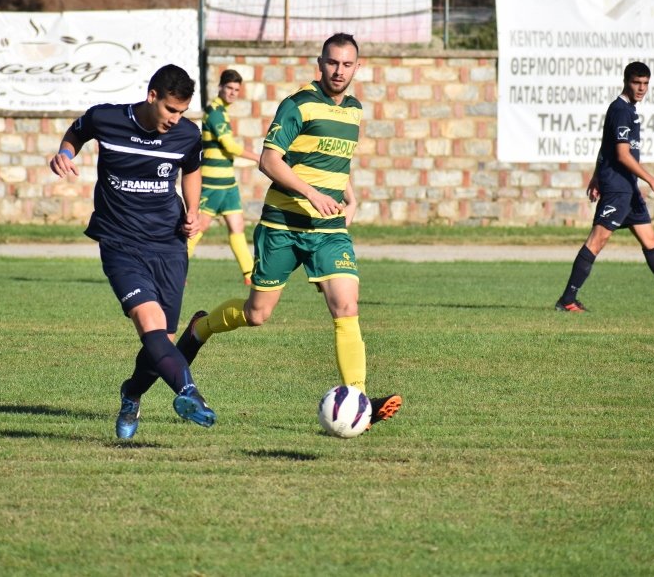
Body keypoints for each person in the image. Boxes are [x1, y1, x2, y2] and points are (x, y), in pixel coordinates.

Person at [175, 33, 402, 430]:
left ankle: (358, 401)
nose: (339, 71)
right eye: (332, 63)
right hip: (282, 225)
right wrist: (312, 193)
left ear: (357, 68)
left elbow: (335, 160)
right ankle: (201, 327)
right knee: (257, 314)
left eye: (347, 65)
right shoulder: (298, 104)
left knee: (346, 308)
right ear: (320, 62)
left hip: (328, 230)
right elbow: (269, 160)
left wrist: (349, 197)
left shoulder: (354, 110)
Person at [48, 64, 216, 440]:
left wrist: (194, 210)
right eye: (171, 110)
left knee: (162, 342)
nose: (176, 119)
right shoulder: (107, 118)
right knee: (149, 325)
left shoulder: (187, 134)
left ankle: (132, 393)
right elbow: (77, 132)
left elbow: (191, 169)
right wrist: (64, 153)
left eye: (182, 112)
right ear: (151, 96)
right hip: (120, 243)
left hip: (170, 244)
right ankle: (189, 393)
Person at [555, 61, 654, 313]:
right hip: (618, 188)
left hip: (628, 188)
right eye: (636, 83)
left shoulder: (628, 110)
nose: (641, 88)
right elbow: (622, 154)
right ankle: (567, 300)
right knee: (597, 241)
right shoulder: (621, 110)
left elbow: (604, 146)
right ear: (626, 81)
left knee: (650, 239)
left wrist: (596, 176)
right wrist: (652, 180)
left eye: (645, 84)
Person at [187, 69, 261, 284]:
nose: (232, 93)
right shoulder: (215, 112)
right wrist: (258, 157)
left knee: (237, 228)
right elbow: (229, 146)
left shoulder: (223, 112)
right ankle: (175, 269)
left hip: (228, 183)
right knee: (198, 228)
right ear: (220, 87)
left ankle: (249, 275)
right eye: (229, 88)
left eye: (236, 90)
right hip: (212, 183)